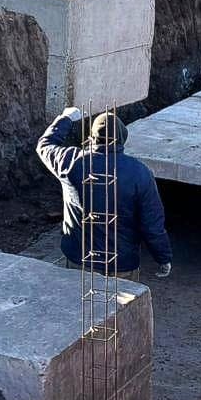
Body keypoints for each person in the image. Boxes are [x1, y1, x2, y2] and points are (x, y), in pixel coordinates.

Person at [35, 108, 172, 283]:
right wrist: (163, 257)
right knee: (119, 309)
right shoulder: (140, 173)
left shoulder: (70, 162)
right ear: (122, 139)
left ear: (91, 139)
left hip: (79, 261)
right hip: (121, 266)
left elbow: (44, 145)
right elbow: (152, 224)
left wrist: (66, 118)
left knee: (80, 307)